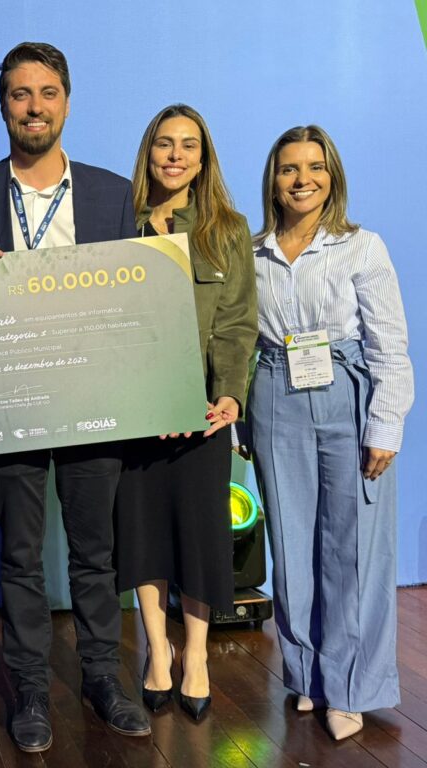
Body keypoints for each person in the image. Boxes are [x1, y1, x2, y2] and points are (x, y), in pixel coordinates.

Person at [0, 42, 150, 750]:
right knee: (21, 556)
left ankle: (102, 678)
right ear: (3, 104)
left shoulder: (109, 192)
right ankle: (30, 689)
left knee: (96, 554)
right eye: (19, 94)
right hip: (13, 403)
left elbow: (132, 304)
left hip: (93, 400)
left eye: (46, 93)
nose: (33, 107)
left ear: (66, 101)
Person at [248, 125, 413, 741]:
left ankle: (350, 689)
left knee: (353, 547)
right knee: (291, 547)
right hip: (274, 392)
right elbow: (239, 334)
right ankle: (308, 676)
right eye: (289, 168)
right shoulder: (253, 251)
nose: (302, 179)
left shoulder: (361, 247)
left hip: (347, 392)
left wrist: (385, 424)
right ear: (273, 179)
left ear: (332, 175)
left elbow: (389, 342)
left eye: (314, 167)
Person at [114, 105, 257, 721]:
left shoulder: (229, 230)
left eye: (188, 146)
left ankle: (195, 654)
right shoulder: (117, 224)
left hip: (203, 414)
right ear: (148, 152)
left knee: (200, 535)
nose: (175, 156)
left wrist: (229, 394)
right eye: (164, 144)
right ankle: (157, 649)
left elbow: (237, 322)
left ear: (204, 159)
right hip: (136, 412)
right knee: (142, 530)